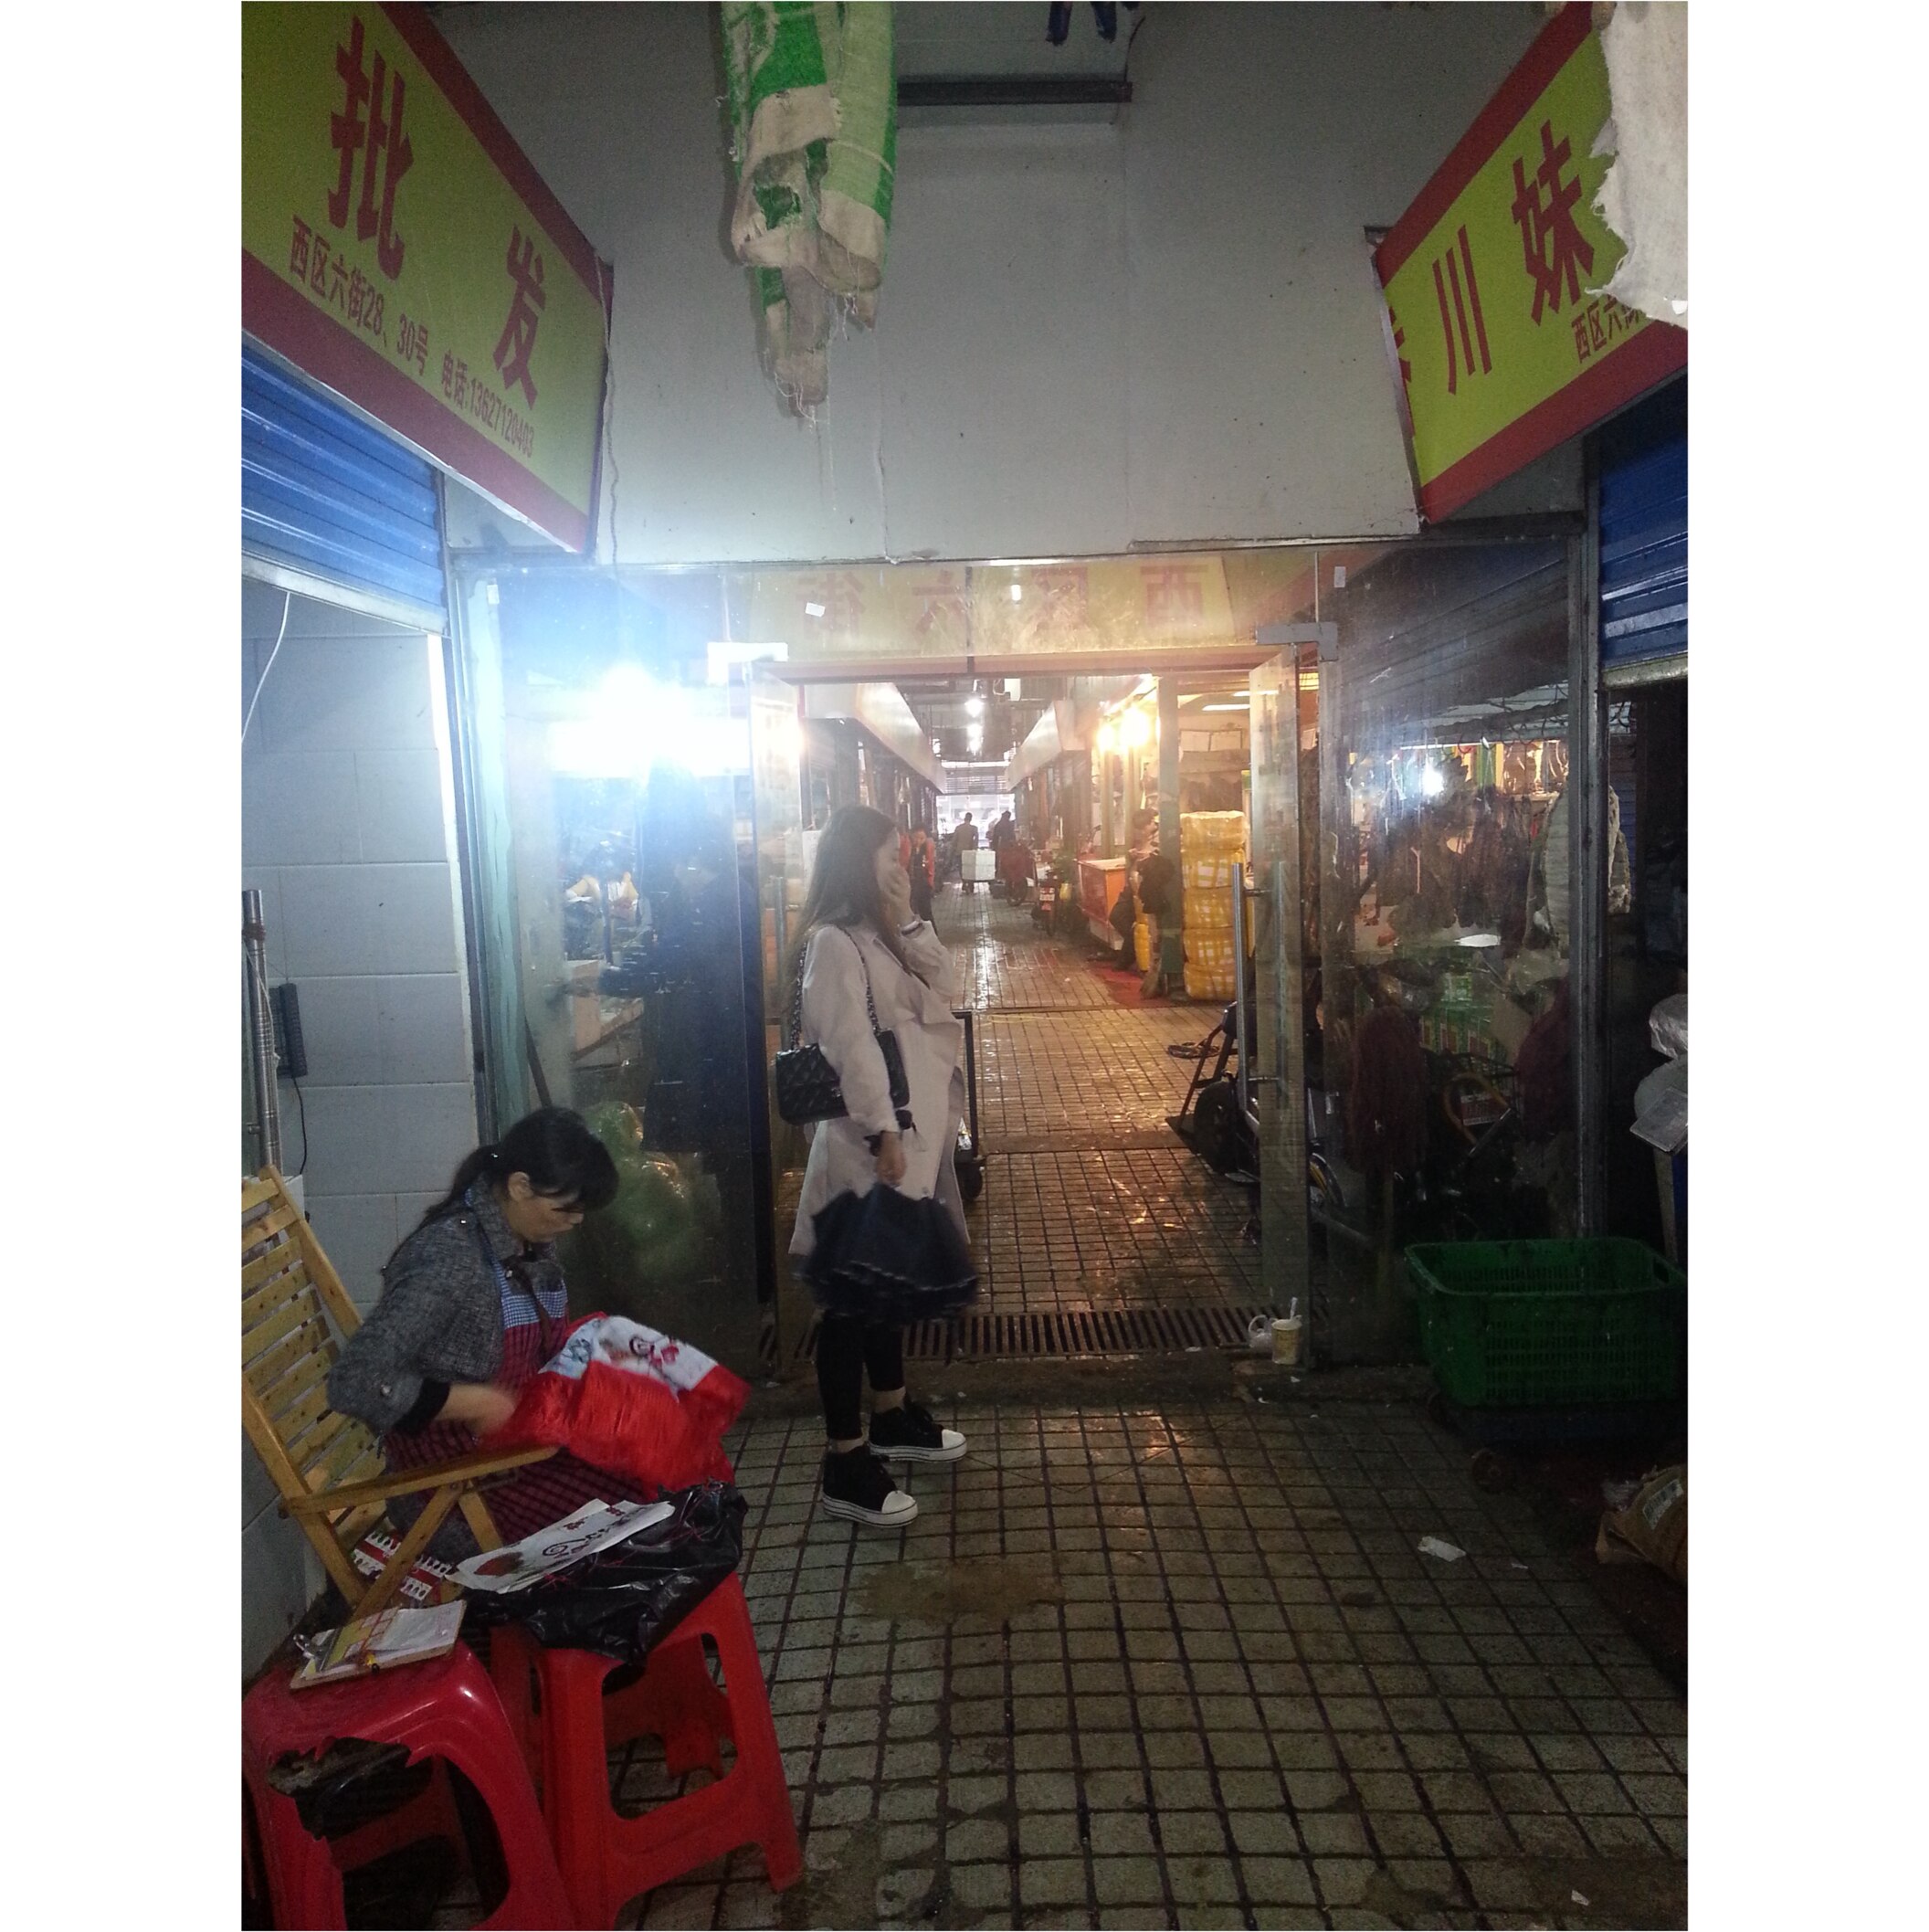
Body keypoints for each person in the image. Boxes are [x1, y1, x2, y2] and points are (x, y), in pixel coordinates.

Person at [326, 1108, 642, 1558]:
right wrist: (474, 1401)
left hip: (513, 1456)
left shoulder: (521, 1244)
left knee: (654, 1467)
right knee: (640, 1514)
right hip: (455, 1488)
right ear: (518, 1187)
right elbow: (353, 1381)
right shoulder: (452, 1260)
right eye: (564, 1208)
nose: (576, 1222)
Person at [787, 804, 969, 1529]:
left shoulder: (878, 932)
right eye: (891, 856)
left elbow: (946, 984)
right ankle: (845, 1456)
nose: (902, 865)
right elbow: (853, 1049)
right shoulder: (832, 942)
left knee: (884, 1290)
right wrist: (884, 1132)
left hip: (905, 1143)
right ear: (857, 860)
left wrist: (911, 918)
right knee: (850, 1304)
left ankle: (890, 1416)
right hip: (867, 1149)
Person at [908, 823, 937, 921]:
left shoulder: (927, 849)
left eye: (922, 838)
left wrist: (930, 884)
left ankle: (932, 933)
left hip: (923, 885)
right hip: (910, 884)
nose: (918, 841)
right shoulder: (908, 849)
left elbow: (930, 867)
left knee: (926, 912)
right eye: (916, 837)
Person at [955, 811, 980, 892]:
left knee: (961, 868)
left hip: (960, 851)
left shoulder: (958, 828)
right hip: (970, 852)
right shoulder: (974, 828)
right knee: (970, 868)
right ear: (971, 819)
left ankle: (964, 882)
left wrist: (953, 850)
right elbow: (976, 839)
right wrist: (975, 848)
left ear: (964, 819)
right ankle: (970, 884)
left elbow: (954, 840)